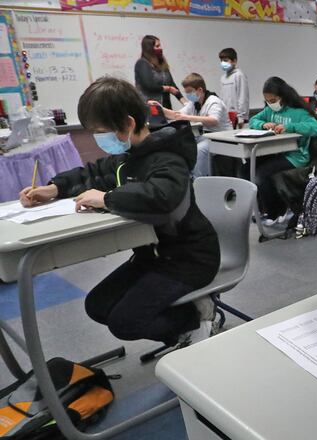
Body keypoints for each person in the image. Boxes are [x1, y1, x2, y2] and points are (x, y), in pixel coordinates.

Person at [19, 77, 220, 348]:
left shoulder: (169, 157)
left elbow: (162, 196)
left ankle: (196, 319)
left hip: (189, 259)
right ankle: (184, 318)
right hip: (153, 257)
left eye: (100, 131)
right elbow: (93, 173)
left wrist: (107, 198)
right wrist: (55, 188)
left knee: (125, 323)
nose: (98, 138)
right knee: (97, 305)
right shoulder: (128, 157)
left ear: (127, 124)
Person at [247, 76, 317, 226]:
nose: (270, 104)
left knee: (261, 174)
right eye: (267, 101)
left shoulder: (298, 112)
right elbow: (253, 120)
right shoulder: (269, 110)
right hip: (276, 153)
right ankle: (264, 208)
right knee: (246, 169)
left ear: (282, 96)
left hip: (296, 157)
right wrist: (263, 125)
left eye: (273, 100)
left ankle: (275, 212)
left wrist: (290, 127)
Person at [158, 73, 233, 178]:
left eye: (190, 92)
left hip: (221, 138)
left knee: (199, 150)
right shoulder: (194, 103)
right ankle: (186, 178)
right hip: (206, 136)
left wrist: (187, 117)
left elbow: (214, 120)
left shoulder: (214, 101)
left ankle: (199, 180)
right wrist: (160, 109)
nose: (188, 95)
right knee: (182, 146)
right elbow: (177, 115)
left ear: (200, 90)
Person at [135, 35, 180, 109]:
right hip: (149, 107)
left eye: (160, 45)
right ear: (149, 48)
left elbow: (171, 83)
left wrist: (184, 102)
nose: (160, 48)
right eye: (157, 46)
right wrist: (168, 88)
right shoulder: (142, 63)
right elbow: (149, 85)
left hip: (166, 107)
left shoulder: (162, 63)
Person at [218, 48, 250, 126]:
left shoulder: (239, 75)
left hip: (237, 117)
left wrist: (241, 116)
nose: (223, 63)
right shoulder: (223, 78)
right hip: (226, 117)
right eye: (221, 61)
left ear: (234, 61)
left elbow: (243, 97)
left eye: (226, 60)